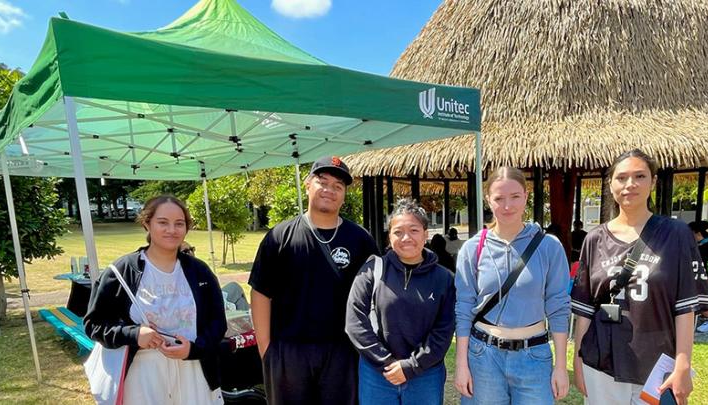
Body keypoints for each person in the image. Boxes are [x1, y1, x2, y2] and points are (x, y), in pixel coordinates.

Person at [571, 149, 708, 405]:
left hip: (657, 363)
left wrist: (683, 364)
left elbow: (686, 308)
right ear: (611, 183)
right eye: (621, 177)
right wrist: (577, 358)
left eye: (639, 176)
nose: (630, 185)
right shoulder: (595, 239)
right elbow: (585, 311)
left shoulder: (676, 235)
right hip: (601, 360)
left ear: (653, 182)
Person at [249, 156, 378, 405]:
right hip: (288, 352)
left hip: (342, 352)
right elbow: (261, 292)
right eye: (323, 182)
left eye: (338, 186)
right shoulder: (279, 236)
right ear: (308, 185)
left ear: (344, 194)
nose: (330, 190)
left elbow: (376, 296)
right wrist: (267, 350)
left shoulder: (360, 239)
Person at [83, 195, 227, 404]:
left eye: (179, 223)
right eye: (163, 222)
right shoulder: (122, 271)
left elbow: (217, 323)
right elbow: (94, 324)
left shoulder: (200, 271)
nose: (172, 230)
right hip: (142, 377)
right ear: (146, 224)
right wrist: (134, 334)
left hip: (193, 372)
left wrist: (193, 349)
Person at [454, 166, 571, 405]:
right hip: (483, 356)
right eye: (499, 198)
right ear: (488, 200)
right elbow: (464, 308)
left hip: (534, 357)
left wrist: (560, 366)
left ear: (526, 196)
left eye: (515, 196)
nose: (507, 206)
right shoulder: (472, 249)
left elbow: (558, 307)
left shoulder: (549, 246)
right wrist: (461, 363)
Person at [345, 199, 455, 405]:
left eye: (414, 230)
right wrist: (387, 363)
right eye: (398, 232)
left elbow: (444, 330)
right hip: (378, 373)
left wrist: (411, 366)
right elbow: (355, 322)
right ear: (389, 237)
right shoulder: (373, 270)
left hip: (426, 374)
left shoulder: (444, 279)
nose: (406, 238)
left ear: (426, 234)